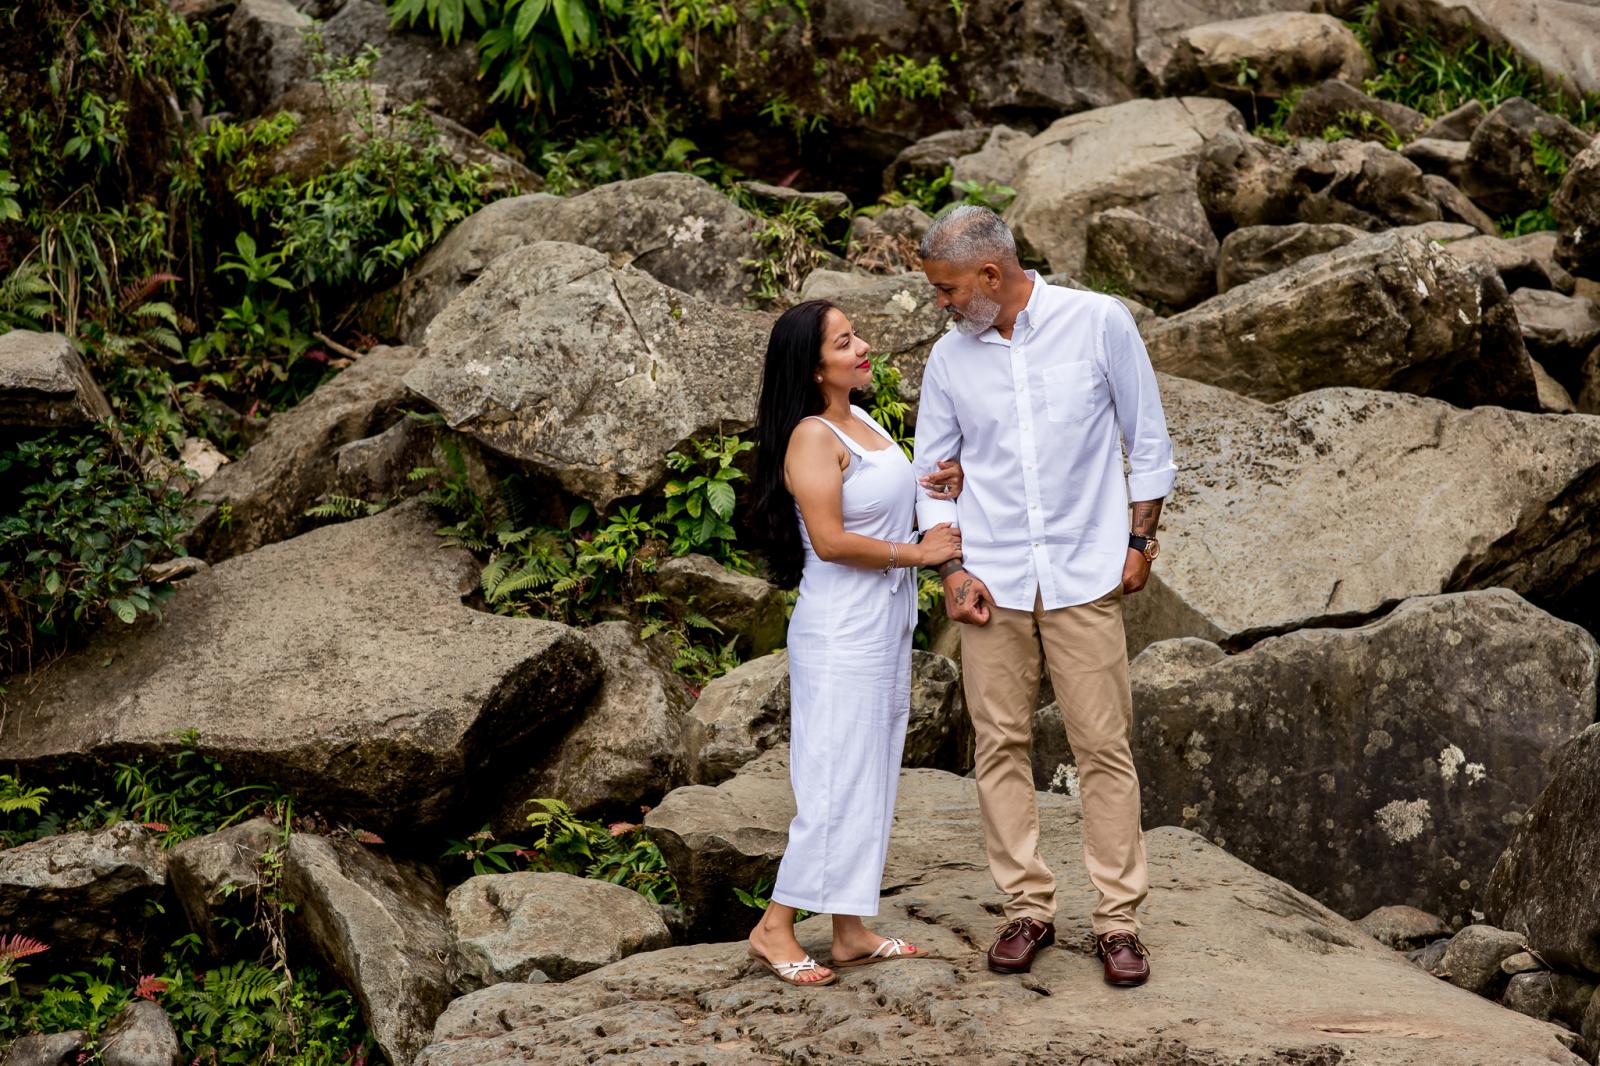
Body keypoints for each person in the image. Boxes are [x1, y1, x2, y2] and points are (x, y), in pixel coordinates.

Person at [911, 206, 1176, 987]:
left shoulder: (1098, 323)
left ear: (991, 275)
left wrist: (1138, 542)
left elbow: (1148, 439)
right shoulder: (949, 361)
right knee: (998, 744)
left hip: (1084, 573)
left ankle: (1118, 921)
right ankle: (1026, 907)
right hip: (991, 578)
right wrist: (953, 572)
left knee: (1103, 747)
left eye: (949, 289)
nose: (943, 304)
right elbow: (934, 475)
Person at [745, 298, 965, 986]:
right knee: (835, 775)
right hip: (841, 628)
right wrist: (921, 556)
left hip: (882, 626)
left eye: (856, 336)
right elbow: (834, 542)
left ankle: (849, 929)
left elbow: (895, 494)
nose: (863, 347)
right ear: (813, 369)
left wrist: (945, 483)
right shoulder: (812, 435)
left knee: (870, 770)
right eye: (846, 343)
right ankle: (774, 925)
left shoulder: (860, 420)